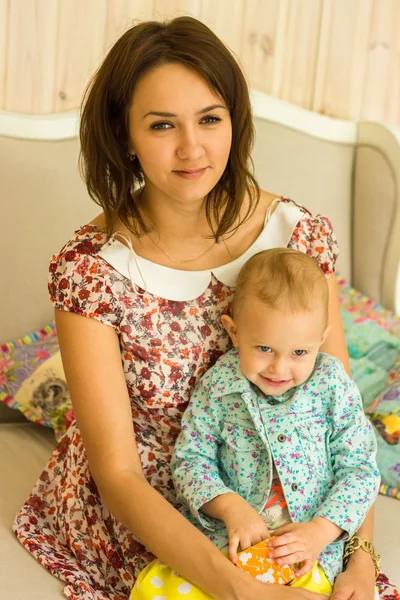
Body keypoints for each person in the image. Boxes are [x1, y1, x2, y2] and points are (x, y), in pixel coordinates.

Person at [12, 15, 386, 600]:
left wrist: (359, 558)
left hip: (293, 515)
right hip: (156, 516)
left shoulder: (299, 236)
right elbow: (119, 475)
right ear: (124, 135)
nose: (192, 148)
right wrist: (237, 589)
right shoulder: (90, 270)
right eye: (162, 125)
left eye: (210, 119)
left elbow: (341, 419)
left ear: (233, 121)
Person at [131, 248, 380, 598]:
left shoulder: (332, 386)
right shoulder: (219, 387)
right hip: (228, 545)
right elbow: (191, 459)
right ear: (233, 332)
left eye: (299, 353)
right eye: (263, 348)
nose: (279, 368)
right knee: (156, 590)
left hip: (308, 552)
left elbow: (360, 469)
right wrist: (230, 505)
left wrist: (320, 532)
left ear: (320, 341)